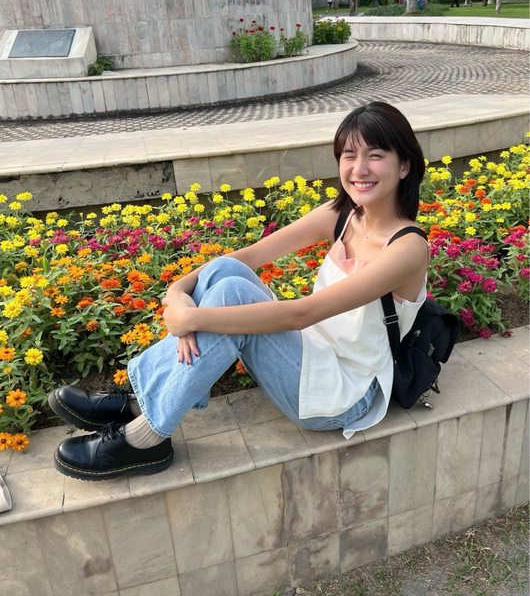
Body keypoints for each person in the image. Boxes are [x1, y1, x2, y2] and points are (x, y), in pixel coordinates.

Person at [49, 102, 429, 481]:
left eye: (375, 155)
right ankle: (141, 404)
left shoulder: (407, 248)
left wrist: (191, 317)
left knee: (233, 294)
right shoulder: (343, 215)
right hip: (309, 356)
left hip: (343, 393)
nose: (359, 169)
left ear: (404, 165)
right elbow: (246, 257)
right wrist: (177, 290)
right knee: (226, 271)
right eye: (349, 155)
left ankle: (148, 434)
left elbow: (303, 313)